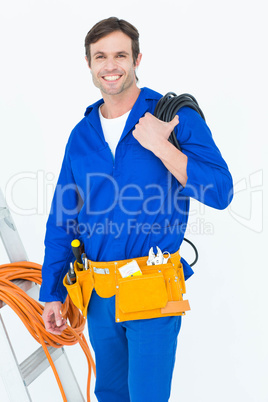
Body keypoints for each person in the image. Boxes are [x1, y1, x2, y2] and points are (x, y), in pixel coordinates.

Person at [40, 17, 233, 402]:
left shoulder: (171, 115)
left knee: (146, 395)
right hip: (99, 294)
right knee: (110, 393)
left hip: (152, 288)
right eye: (101, 56)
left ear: (137, 58)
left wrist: (162, 146)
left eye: (120, 55)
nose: (110, 65)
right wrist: (50, 291)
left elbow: (220, 190)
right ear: (89, 64)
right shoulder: (82, 135)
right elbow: (64, 217)